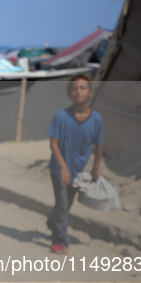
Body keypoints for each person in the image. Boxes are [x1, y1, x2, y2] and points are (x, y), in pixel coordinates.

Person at [46, 75, 104, 254]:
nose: (78, 91)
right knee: (63, 204)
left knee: (65, 204)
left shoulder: (96, 120)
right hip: (59, 168)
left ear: (90, 92)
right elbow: (53, 144)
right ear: (69, 93)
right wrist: (63, 167)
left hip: (78, 171)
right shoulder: (61, 117)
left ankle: (51, 222)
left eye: (82, 88)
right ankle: (59, 240)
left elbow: (99, 144)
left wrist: (96, 168)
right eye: (74, 88)